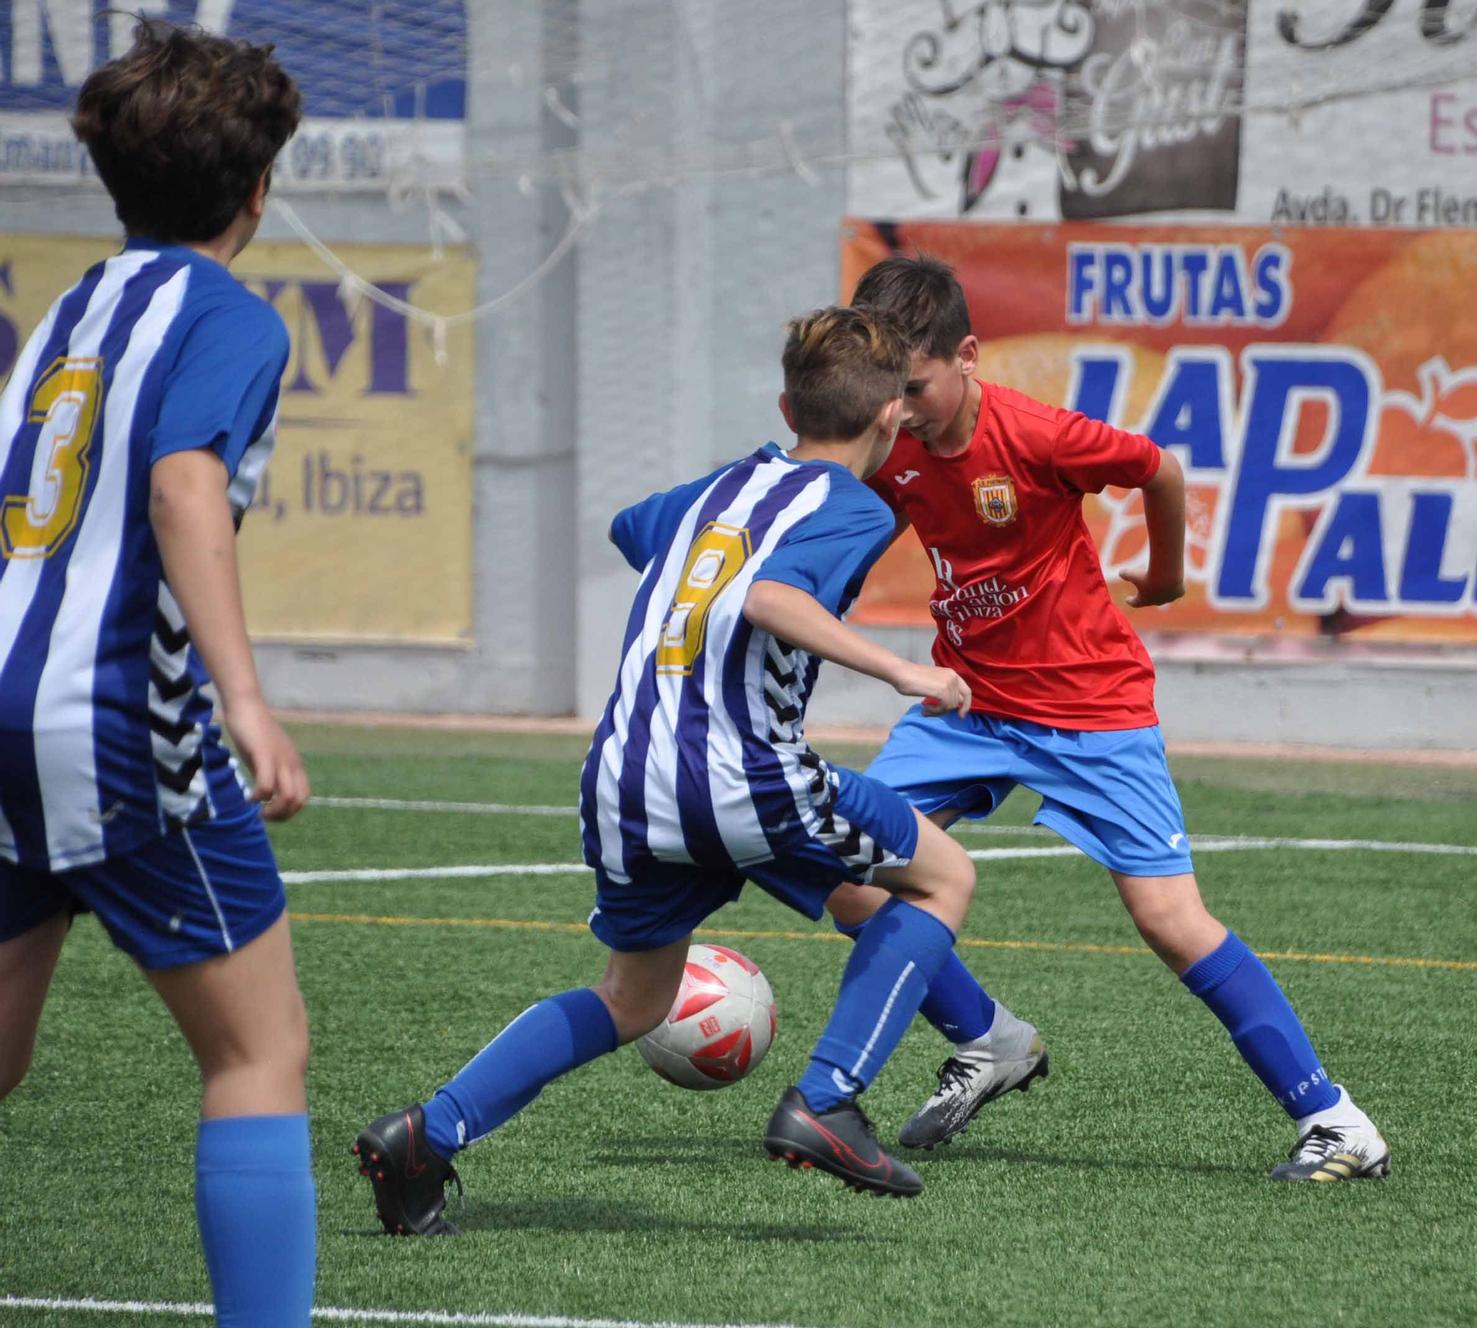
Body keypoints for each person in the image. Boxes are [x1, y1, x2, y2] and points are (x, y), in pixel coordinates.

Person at [354, 306, 980, 1232]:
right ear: (892, 419)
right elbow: (770, 596)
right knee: (943, 876)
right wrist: (902, 670)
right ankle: (829, 1100)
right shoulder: (855, 506)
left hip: (624, 778)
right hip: (740, 775)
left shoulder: (721, 487)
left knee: (635, 997)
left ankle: (425, 1133)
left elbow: (630, 526)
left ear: (785, 405)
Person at [830, 255, 1389, 1182]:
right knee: (847, 867)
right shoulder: (893, 445)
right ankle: (990, 1040)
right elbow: (868, 524)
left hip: (1089, 705)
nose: (901, 409)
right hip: (969, 705)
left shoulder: (1040, 434)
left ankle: (1336, 1122)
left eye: (916, 387)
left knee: (1170, 919)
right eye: (888, 391)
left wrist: (1165, 576)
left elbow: (1159, 468)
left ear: (967, 357)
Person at [0, 20, 315, 1325]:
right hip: (113, 719)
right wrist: (244, 700)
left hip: (7, 698)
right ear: (256, 189)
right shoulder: (227, 316)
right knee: (260, 1049)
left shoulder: (76, 305)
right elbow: (186, 482)